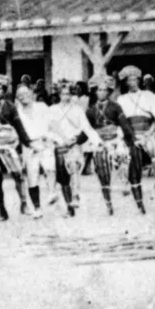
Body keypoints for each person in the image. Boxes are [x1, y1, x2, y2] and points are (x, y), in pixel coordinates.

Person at [87, 74, 142, 215]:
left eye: (105, 90)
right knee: (102, 171)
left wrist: (133, 138)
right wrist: (75, 140)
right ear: (95, 92)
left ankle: (125, 185)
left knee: (124, 157)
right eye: (99, 90)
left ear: (109, 92)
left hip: (116, 139)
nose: (102, 93)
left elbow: (124, 124)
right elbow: (86, 129)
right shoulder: (90, 110)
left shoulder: (115, 106)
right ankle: (108, 205)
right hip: (100, 142)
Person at [0, 74, 31, 221]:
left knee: (18, 174)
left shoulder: (10, 106)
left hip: (10, 145)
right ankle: (2, 209)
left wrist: (27, 141)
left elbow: (19, 125)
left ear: (4, 90)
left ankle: (24, 203)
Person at [48, 80, 102, 216]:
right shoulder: (52, 110)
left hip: (74, 144)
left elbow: (86, 127)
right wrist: (58, 140)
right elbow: (49, 129)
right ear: (58, 94)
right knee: (63, 179)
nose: (66, 96)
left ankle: (76, 195)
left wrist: (97, 141)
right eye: (63, 94)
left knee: (73, 167)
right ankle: (69, 206)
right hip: (59, 145)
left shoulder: (77, 110)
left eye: (68, 94)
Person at [117, 65, 155, 189]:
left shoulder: (148, 95)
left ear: (139, 81)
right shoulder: (122, 99)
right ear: (126, 83)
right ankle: (124, 183)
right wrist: (126, 135)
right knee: (123, 152)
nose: (132, 83)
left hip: (146, 131)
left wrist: (151, 132)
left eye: (135, 80)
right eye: (129, 80)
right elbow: (121, 120)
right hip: (130, 132)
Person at [15, 83, 57, 218]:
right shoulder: (17, 112)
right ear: (17, 98)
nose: (24, 97)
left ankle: (52, 192)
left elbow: (52, 123)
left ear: (31, 94)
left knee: (50, 168)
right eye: (20, 95)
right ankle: (37, 208)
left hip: (44, 142)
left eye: (26, 93)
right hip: (29, 145)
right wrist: (28, 144)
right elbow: (18, 131)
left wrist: (50, 137)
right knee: (32, 177)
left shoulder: (42, 106)